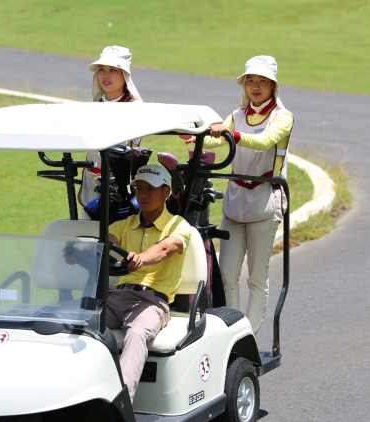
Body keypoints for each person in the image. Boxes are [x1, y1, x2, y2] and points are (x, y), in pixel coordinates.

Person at [181, 55, 293, 335]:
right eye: (250, 81)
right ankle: (233, 333)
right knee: (228, 274)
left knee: (257, 276)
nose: (255, 86)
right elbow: (215, 139)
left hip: (265, 203)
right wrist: (194, 136)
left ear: (273, 86)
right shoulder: (237, 115)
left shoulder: (283, 117)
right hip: (236, 203)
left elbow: (264, 141)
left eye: (262, 81)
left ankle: (250, 336)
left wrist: (233, 134)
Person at [107, 164, 191, 402]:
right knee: (82, 323)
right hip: (117, 297)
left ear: (166, 192)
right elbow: (106, 242)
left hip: (152, 302)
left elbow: (165, 249)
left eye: (151, 190)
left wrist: (141, 258)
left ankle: (120, 405)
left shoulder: (178, 225)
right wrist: (77, 254)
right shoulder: (124, 224)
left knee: (137, 332)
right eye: (139, 188)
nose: (143, 194)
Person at [78, 45, 143, 217]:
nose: (105, 75)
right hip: (90, 185)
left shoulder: (136, 108)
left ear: (125, 74)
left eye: (113, 70)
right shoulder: (89, 107)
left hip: (123, 189)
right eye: (101, 70)